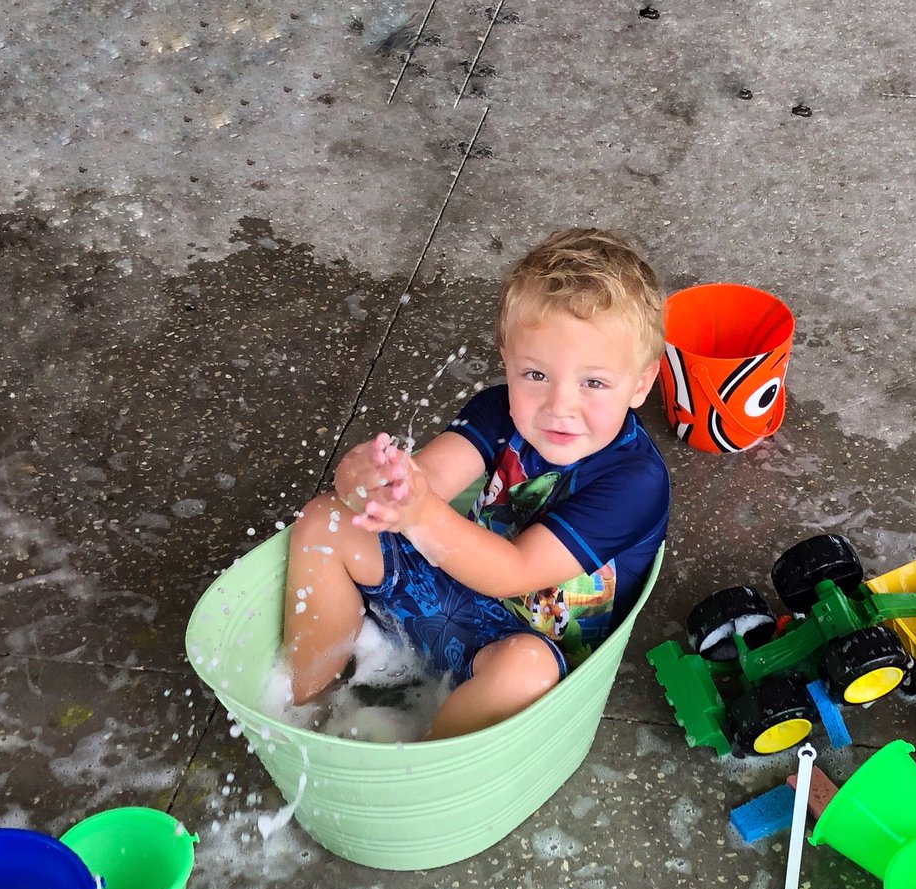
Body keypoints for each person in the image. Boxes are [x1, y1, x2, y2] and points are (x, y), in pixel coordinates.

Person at [284, 227, 671, 739]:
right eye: (535, 375)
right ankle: (298, 709)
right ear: (507, 359)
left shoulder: (635, 483)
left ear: (641, 383)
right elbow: (427, 481)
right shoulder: (497, 410)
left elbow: (516, 571)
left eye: (593, 383)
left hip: (522, 646)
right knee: (325, 519)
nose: (560, 406)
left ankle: (419, 770)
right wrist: (371, 481)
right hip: (449, 592)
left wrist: (420, 514)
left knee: (528, 669)